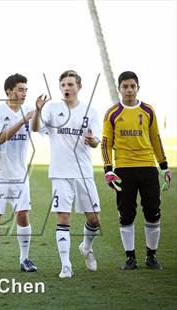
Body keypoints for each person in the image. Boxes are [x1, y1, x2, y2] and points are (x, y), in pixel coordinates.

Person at [32, 70, 101, 278]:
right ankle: (66, 265)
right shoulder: (52, 109)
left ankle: (86, 247)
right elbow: (35, 128)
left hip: (84, 173)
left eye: (70, 84)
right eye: (63, 85)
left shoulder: (90, 111)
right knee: (63, 217)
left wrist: (92, 141)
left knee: (95, 219)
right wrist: (37, 111)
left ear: (79, 87)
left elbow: (96, 141)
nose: (66, 88)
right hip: (60, 173)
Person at [101, 71, 171, 270]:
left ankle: (152, 256)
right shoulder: (112, 113)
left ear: (138, 88)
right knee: (126, 214)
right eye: (125, 86)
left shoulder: (148, 111)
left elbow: (156, 139)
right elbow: (106, 144)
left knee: (153, 212)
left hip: (148, 168)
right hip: (123, 169)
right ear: (119, 89)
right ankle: (130, 258)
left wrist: (164, 166)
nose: (129, 90)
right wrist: (108, 169)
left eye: (133, 86)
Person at [0, 73, 38, 273]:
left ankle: (25, 259)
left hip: (19, 174)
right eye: (20, 89)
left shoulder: (30, 110)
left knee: (22, 215)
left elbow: (37, 127)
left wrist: (37, 112)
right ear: (9, 91)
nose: (24, 93)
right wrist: (22, 120)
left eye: (25, 90)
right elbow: (1, 138)